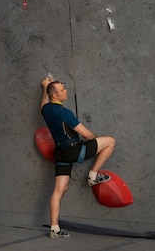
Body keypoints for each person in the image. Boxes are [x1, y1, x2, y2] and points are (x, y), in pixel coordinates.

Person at [40, 76, 116, 239]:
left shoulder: (47, 109)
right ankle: (93, 175)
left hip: (61, 153)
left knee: (60, 189)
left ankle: (54, 228)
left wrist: (45, 89)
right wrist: (96, 141)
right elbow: (86, 134)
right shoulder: (64, 113)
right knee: (109, 142)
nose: (65, 91)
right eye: (62, 90)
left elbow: (43, 105)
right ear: (55, 96)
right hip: (74, 150)